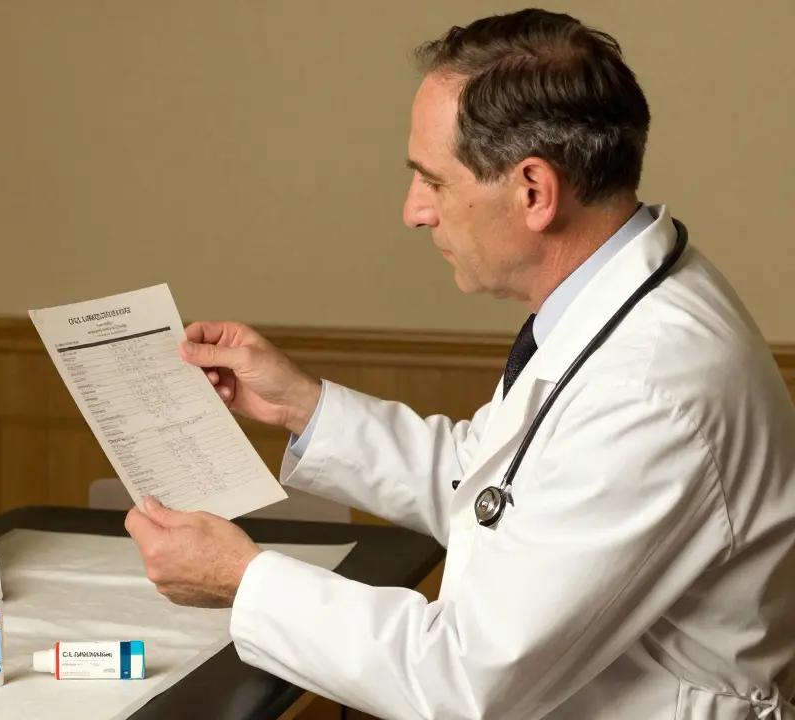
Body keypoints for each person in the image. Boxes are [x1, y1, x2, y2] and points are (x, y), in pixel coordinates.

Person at [125, 8, 795, 719]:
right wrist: (301, 405)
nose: (414, 211)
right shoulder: (616, 306)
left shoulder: (649, 386)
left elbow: (466, 678)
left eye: (433, 181)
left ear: (533, 192)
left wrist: (242, 579)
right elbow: (495, 488)